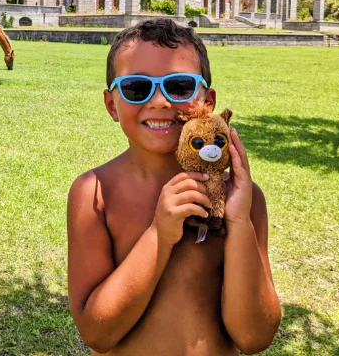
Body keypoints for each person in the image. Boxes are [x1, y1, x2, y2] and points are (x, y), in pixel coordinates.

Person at [67, 19, 280, 355]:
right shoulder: (94, 193)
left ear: (207, 102)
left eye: (178, 86)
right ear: (112, 105)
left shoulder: (243, 200)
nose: (160, 102)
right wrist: (159, 234)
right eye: (138, 88)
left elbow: (254, 337)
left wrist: (239, 222)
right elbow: (97, 332)